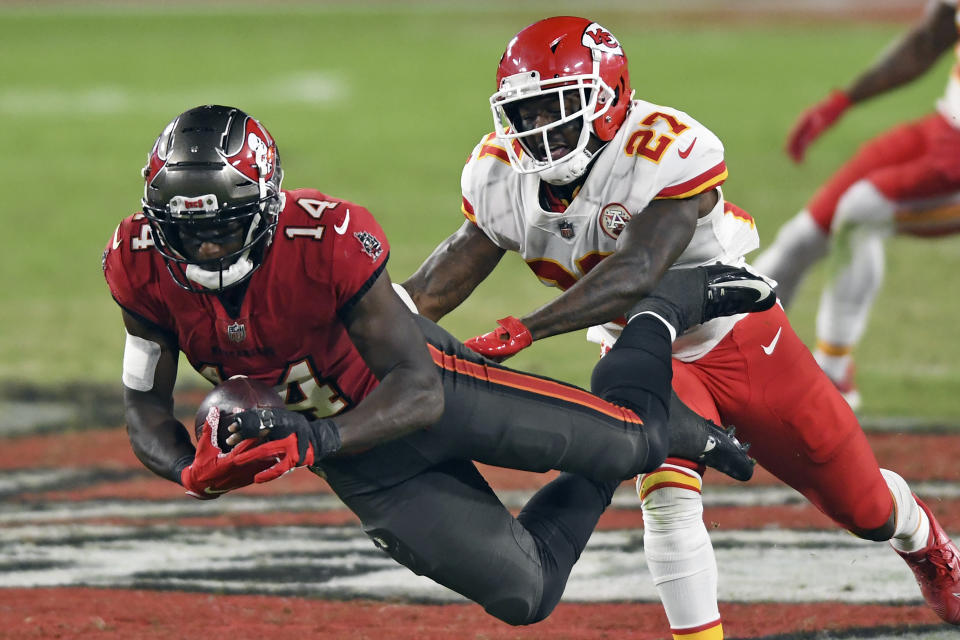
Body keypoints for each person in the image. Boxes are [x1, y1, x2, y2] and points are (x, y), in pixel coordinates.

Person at [400, 15, 960, 638]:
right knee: (666, 499)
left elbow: (639, 269)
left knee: (864, 505)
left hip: (735, 335)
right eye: (525, 113)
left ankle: (925, 542)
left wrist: (527, 329)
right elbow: (433, 286)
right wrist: (370, 319)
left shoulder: (663, 146)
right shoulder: (500, 174)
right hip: (644, 348)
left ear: (607, 98)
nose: (538, 130)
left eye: (554, 107)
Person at [101, 104, 767, 626]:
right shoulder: (137, 264)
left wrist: (316, 439)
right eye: (186, 229)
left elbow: (417, 387)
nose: (207, 244)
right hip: (362, 458)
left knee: (631, 438)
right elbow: (144, 407)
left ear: (268, 208)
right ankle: (618, 448)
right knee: (525, 594)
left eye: (223, 223)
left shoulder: (324, 238)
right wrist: (190, 469)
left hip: (425, 389)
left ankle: (675, 309)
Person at [753, 0, 960, 409]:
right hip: (943, 128)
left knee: (861, 212)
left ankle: (833, 376)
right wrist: (841, 102)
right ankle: (730, 346)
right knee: (804, 235)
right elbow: (929, 40)